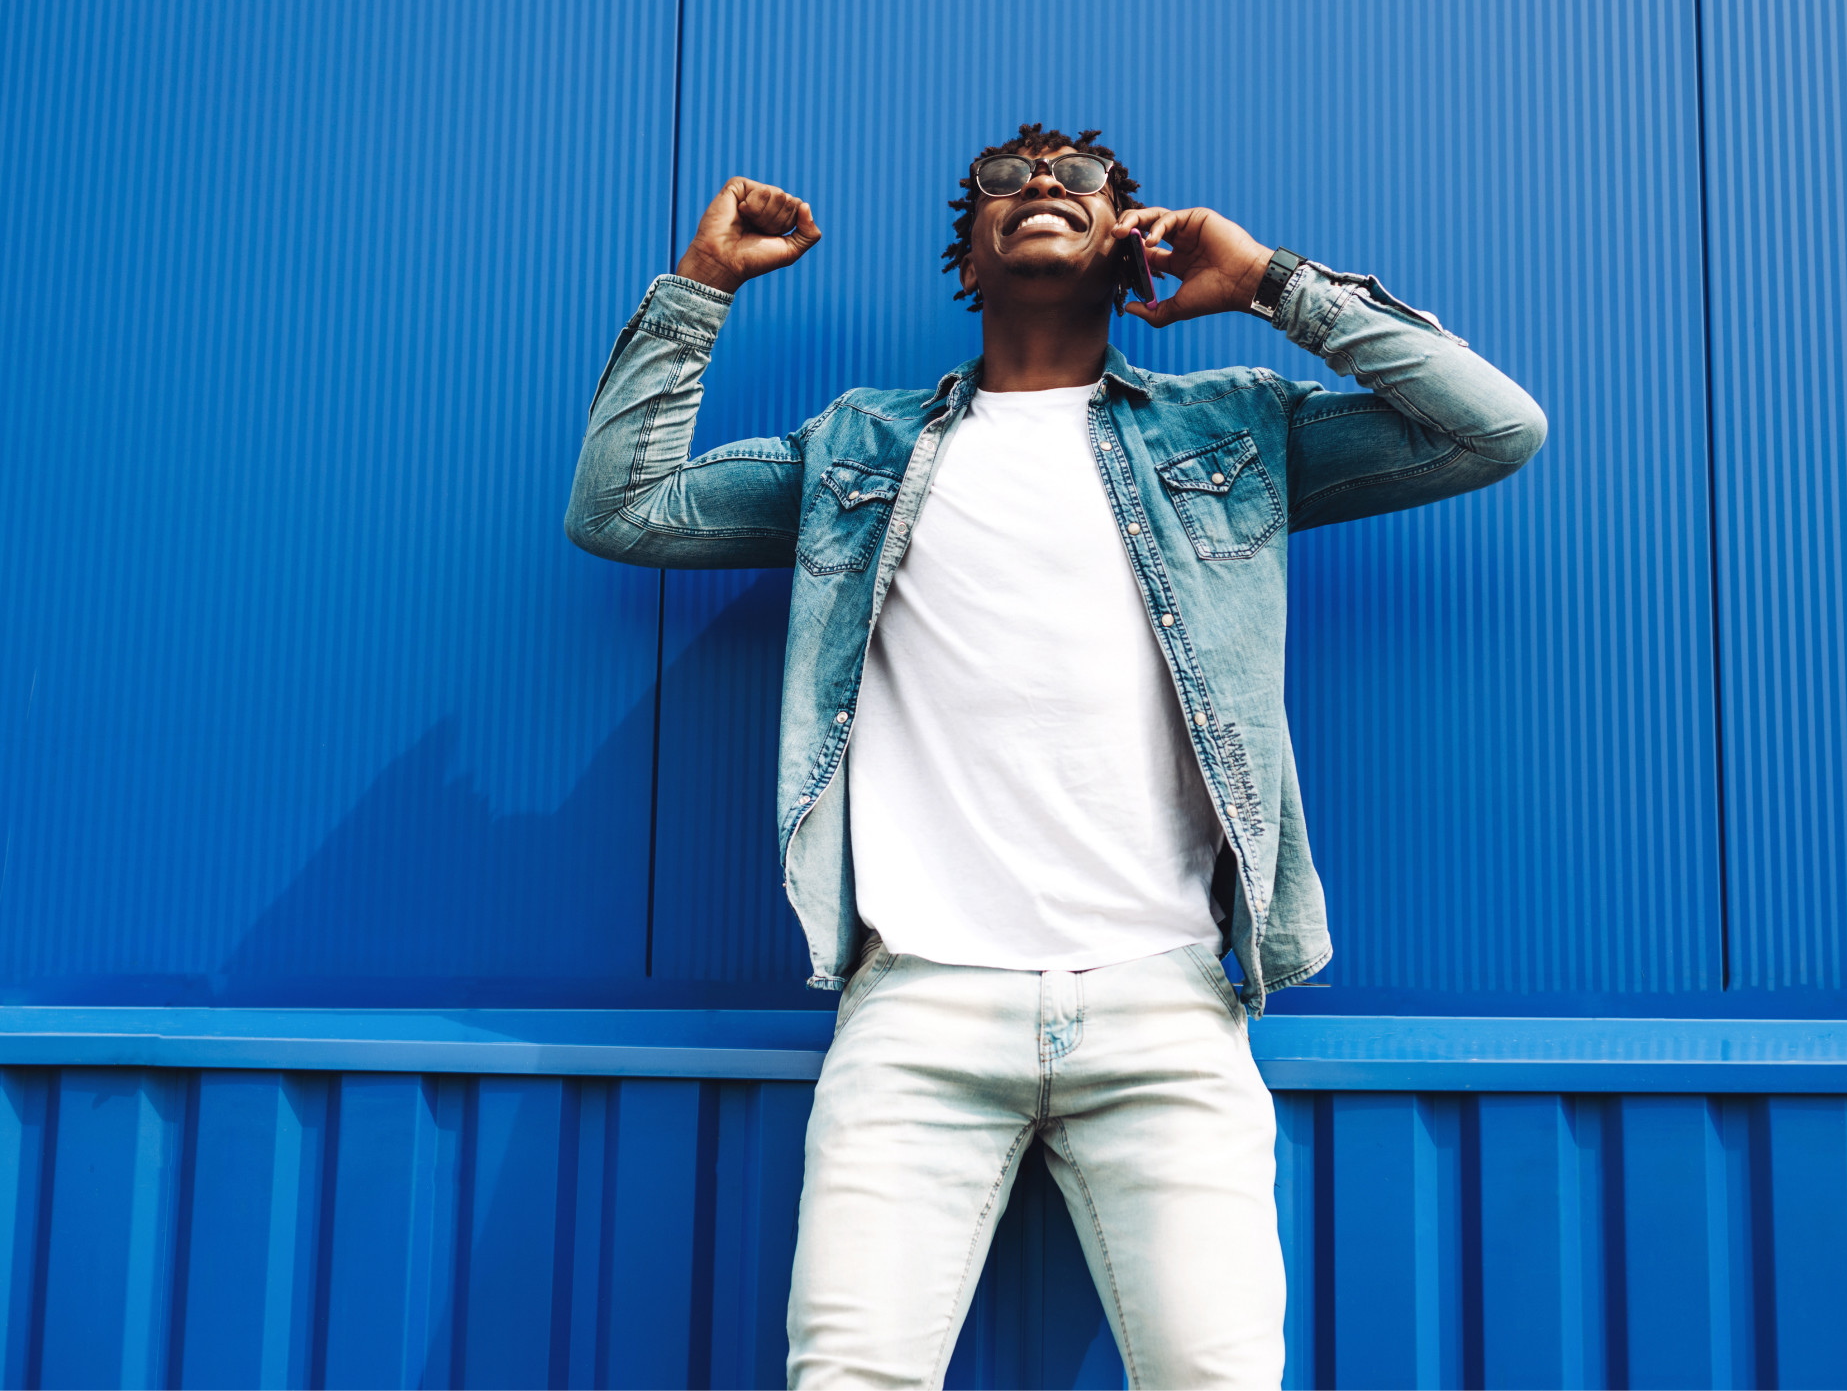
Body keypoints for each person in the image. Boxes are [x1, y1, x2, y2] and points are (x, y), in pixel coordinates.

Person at [566, 123, 1546, 1389]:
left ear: (1126, 245)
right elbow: (622, 507)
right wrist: (699, 287)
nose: (1039, 188)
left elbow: (1492, 429)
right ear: (967, 258)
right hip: (917, 1002)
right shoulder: (858, 447)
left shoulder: (1234, 429)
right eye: (1004, 183)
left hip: (1165, 1003)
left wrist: (1265, 283)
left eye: (1079, 182)